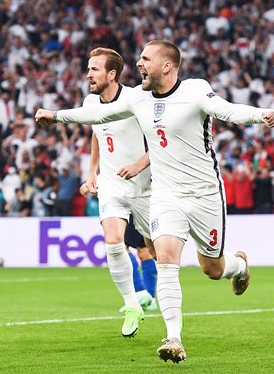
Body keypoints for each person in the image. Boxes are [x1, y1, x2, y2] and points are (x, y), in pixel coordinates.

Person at [36, 40, 274, 363]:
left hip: (204, 194)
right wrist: (56, 116)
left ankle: (240, 266)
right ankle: (173, 338)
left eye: (145, 59)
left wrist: (261, 115)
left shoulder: (194, 91)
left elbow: (227, 110)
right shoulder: (140, 100)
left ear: (167, 66)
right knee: (164, 257)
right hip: (165, 195)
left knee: (212, 267)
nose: (138, 64)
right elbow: (99, 113)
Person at [76, 47, 156, 338]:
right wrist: (92, 172)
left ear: (112, 74)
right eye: (88, 68)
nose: (88, 74)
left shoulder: (136, 98)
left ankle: (162, 297)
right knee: (113, 242)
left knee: (155, 250)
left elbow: (162, 138)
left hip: (145, 185)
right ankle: (133, 303)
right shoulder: (90, 101)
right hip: (111, 184)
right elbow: (98, 134)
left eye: (94, 69)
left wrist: (139, 164)